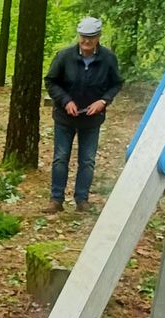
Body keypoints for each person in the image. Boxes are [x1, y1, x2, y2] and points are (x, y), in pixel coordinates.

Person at [44, 16, 123, 213]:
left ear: (98, 37)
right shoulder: (64, 56)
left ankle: (82, 199)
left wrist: (103, 101)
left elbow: (116, 83)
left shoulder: (108, 59)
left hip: (92, 119)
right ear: (79, 37)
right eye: (83, 37)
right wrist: (65, 101)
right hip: (64, 117)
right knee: (60, 157)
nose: (86, 42)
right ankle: (56, 199)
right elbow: (51, 81)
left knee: (87, 160)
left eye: (91, 38)